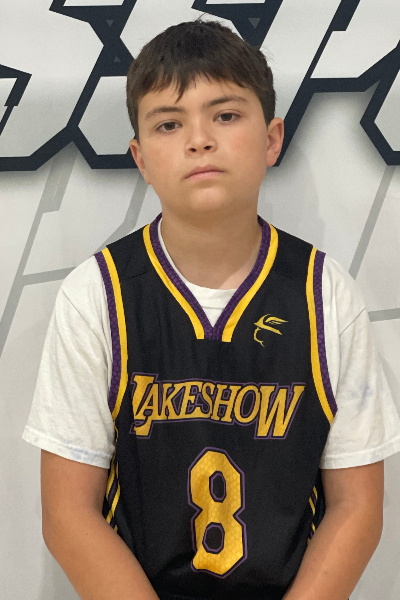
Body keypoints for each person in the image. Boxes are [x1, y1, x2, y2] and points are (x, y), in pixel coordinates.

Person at [22, 16, 400, 600]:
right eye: (169, 124)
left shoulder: (325, 294)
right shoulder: (97, 294)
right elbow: (68, 513)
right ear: (140, 157)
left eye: (225, 115)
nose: (199, 140)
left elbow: (357, 506)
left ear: (271, 139)